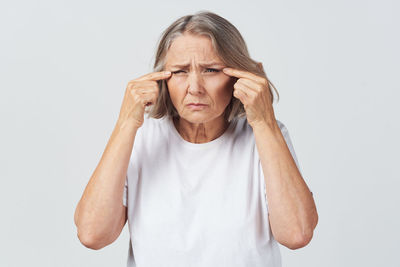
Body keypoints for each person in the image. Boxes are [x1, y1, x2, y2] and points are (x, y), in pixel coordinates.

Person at [74, 10, 318, 267]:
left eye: (210, 70)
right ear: (161, 80)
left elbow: (297, 233)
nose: (194, 87)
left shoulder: (266, 135)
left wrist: (264, 122)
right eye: (179, 72)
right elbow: (92, 234)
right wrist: (126, 123)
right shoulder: (141, 137)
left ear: (238, 76)